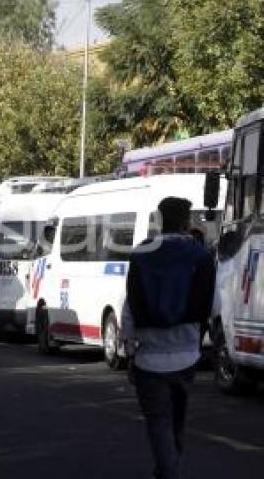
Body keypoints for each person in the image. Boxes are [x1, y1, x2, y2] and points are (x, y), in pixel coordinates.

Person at [122, 197, 216, 479]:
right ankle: (170, 466)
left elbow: (130, 306)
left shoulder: (141, 255)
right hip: (187, 354)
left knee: (158, 421)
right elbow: (213, 306)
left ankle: (169, 469)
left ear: (160, 219)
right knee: (177, 419)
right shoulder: (200, 256)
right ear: (187, 221)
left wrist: (129, 349)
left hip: (149, 357)